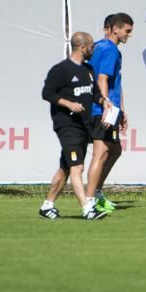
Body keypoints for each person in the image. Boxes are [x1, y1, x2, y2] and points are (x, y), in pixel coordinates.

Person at [38, 31, 107, 220]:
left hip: (84, 126)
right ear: (82, 47)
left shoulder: (88, 70)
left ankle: (47, 205)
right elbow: (47, 93)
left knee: (66, 168)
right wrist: (68, 104)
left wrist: (104, 101)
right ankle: (87, 209)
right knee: (78, 167)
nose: (94, 50)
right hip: (67, 125)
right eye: (92, 46)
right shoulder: (61, 70)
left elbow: (94, 94)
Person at [85, 12, 133, 214]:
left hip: (109, 107)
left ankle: (96, 192)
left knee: (114, 150)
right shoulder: (110, 49)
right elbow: (102, 79)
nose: (129, 35)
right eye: (127, 31)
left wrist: (121, 109)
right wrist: (106, 106)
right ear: (115, 29)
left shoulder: (100, 47)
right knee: (101, 153)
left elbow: (114, 81)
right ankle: (89, 200)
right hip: (102, 108)